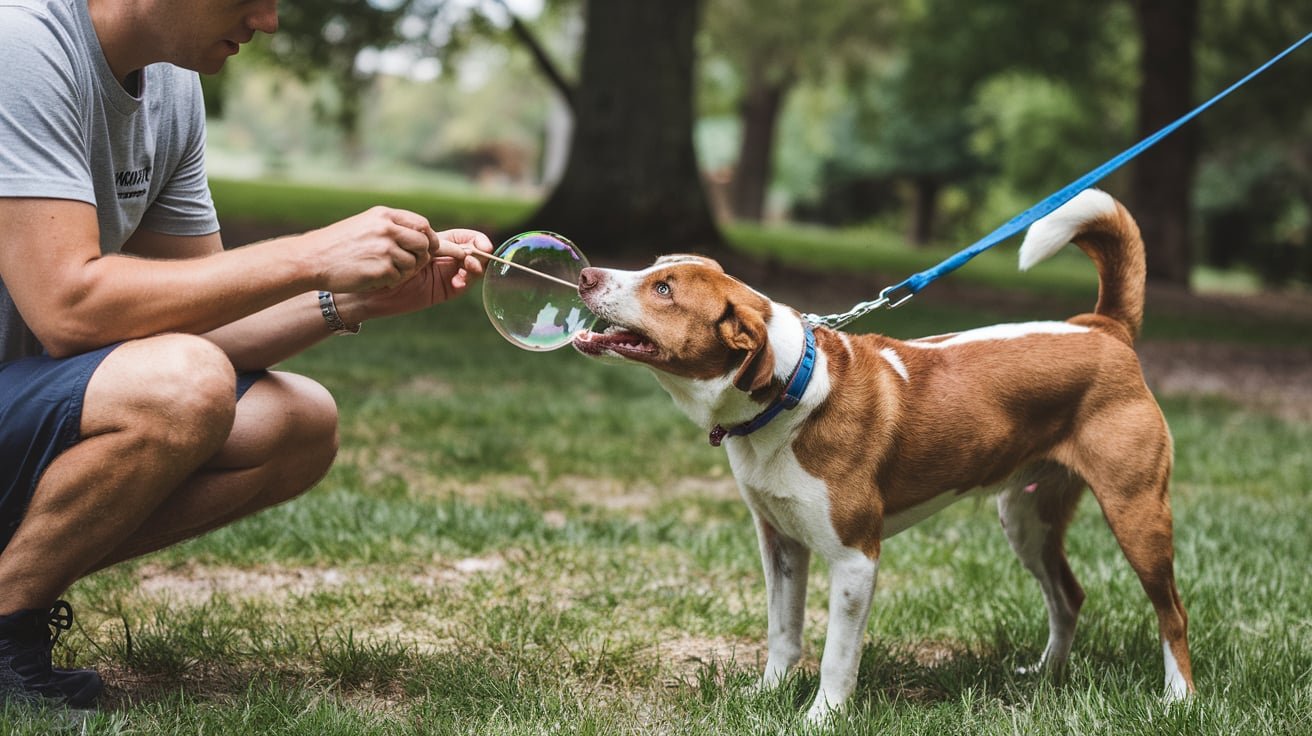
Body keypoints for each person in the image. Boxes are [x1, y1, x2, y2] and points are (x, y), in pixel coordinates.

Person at [0, 0, 494, 707]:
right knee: (183, 386)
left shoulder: (171, 87)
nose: (267, 22)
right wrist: (311, 253)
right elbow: (68, 309)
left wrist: (355, 298)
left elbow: (205, 314)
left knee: (295, 424)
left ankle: (13, 592)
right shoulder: (20, 43)